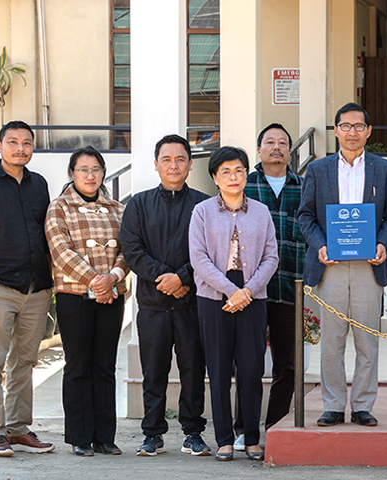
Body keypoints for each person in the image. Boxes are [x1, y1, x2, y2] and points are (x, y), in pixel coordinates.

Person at [297, 102, 387, 427]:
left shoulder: (384, 169)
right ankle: (333, 404)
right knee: (330, 340)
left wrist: (383, 243)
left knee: (367, 341)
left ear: (368, 131)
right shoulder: (318, 170)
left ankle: (361, 406)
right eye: (346, 126)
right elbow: (305, 216)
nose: (352, 132)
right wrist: (321, 245)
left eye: (359, 126)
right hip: (330, 266)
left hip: (369, 266)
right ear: (337, 130)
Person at [0, 120, 55, 456]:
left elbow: (45, 237)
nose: (21, 148)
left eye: (27, 143)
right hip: (0, 286)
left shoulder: (39, 185)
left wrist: (49, 281)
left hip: (37, 287)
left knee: (24, 361)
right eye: (13, 142)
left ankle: (17, 430)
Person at [120, 134, 212, 457]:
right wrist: (165, 278)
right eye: (167, 160)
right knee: (153, 371)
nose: (174, 166)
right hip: (153, 304)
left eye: (180, 160)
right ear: (156, 164)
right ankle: (152, 433)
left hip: (192, 303)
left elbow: (208, 251)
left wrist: (183, 277)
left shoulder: (204, 204)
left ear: (189, 165)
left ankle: (193, 432)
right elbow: (132, 250)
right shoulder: (139, 204)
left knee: (192, 370)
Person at [189, 146, 278, 461]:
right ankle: (225, 439)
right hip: (214, 298)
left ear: (246, 174)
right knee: (218, 369)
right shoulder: (202, 212)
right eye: (225, 171)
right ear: (214, 176)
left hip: (253, 297)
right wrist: (230, 291)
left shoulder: (261, 211)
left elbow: (271, 256)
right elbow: (198, 259)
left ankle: (251, 438)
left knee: (252, 369)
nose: (233, 176)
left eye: (239, 170)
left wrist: (248, 290)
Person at [44, 146, 128, 457]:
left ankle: (105, 437)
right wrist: (96, 280)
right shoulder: (59, 208)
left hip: (111, 295)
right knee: (78, 365)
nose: (90, 175)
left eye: (96, 169)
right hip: (74, 296)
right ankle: (80, 436)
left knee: (105, 365)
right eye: (83, 170)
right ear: (72, 174)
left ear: (103, 173)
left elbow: (127, 249)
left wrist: (113, 278)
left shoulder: (119, 209)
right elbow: (61, 251)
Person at [232, 123, 306, 450]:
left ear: (290, 150)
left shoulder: (305, 188)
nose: (276, 147)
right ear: (259, 149)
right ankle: (243, 431)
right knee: (248, 362)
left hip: (291, 288)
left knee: (288, 364)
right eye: (270, 142)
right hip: (250, 290)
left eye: (283, 143)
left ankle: (275, 428)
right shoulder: (243, 187)